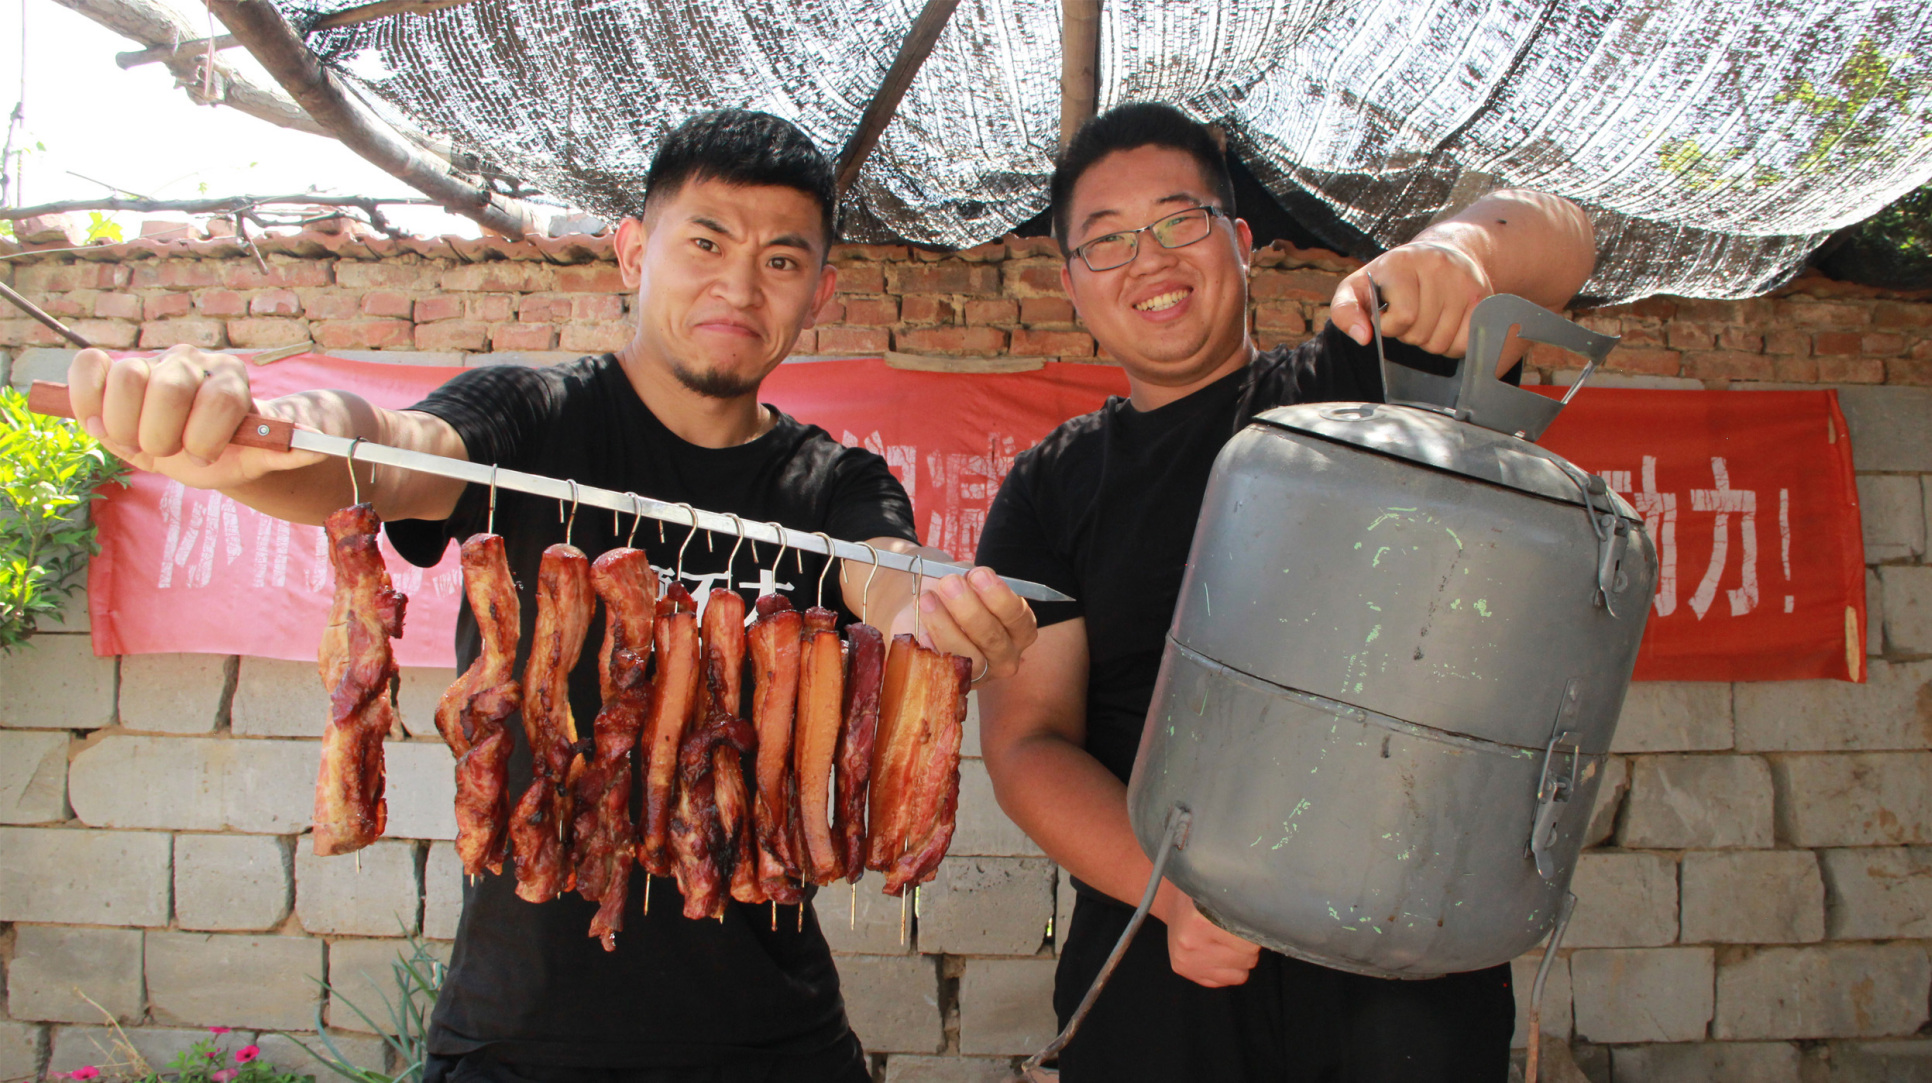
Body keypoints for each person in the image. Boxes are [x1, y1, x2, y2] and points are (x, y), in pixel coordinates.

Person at [68, 109, 1037, 1083]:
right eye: (705, 241)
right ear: (632, 252)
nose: (739, 284)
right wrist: (244, 432)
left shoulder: (831, 481)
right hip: (516, 1045)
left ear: (818, 293)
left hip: (778, 1048)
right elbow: (381, 457)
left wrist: (931, 609)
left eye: (782, 260)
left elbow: (884, 568)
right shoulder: (531, 416)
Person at [974, 103, 1597, 1081]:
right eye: (1109, 240)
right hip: (1161, 978)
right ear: (1072, 284)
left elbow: (1565, 236)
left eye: (1181, 220)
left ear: (1242, 242)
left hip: (1403, 974)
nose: (1151, 258)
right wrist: (1170, 895)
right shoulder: (1052, 487)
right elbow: (1026, 742)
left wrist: (1466, 252)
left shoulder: (1360, 389)